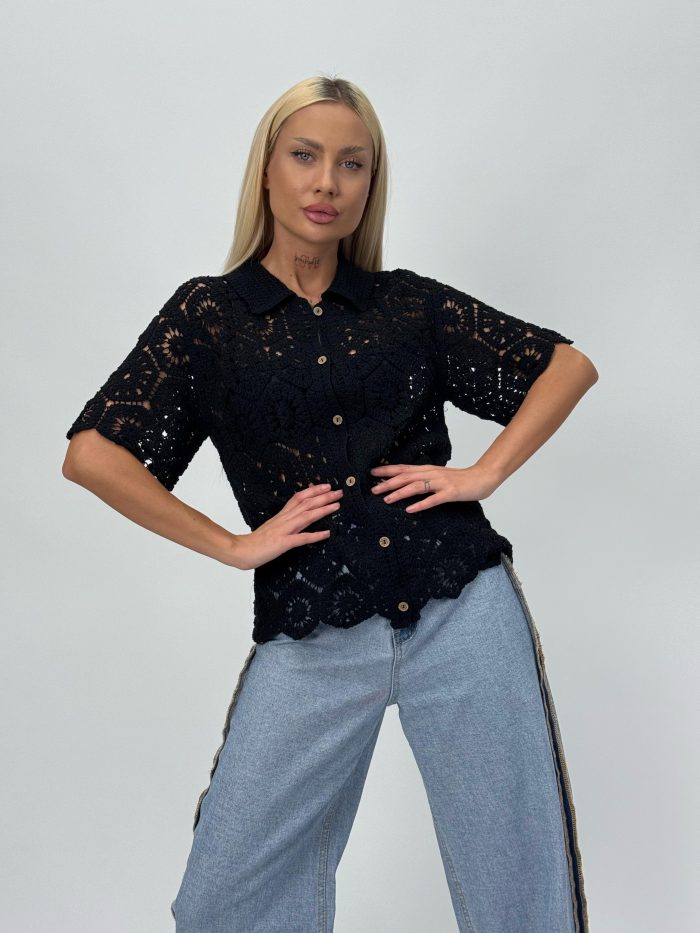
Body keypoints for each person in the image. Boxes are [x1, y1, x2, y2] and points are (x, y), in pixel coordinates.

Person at [62, 74, 597, 933]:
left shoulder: (407, 303)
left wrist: (483, 474)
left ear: (369, 183)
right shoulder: (209, 318)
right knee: (224, 898)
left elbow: (566, 364)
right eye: (305, 156)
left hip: (461, 607)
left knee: (519, 887)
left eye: (352, 164)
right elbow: (93, 453)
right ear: (266, 170)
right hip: (314, 624)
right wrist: (234, 544)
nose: (327, 182)